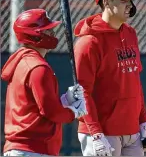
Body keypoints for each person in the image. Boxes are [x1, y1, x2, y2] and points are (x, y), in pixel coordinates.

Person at [73, 0, 146, 156]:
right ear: (106, 2)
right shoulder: (89, 42)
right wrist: (95, 133)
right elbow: (83, 92)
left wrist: (143, 121)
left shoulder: (131, 34)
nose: (130, 5)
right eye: (124, 0)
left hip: (132, 130)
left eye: (130, 0)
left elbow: (135, 81)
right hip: (102, 133)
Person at [1, 9, 87, 156]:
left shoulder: (22, 61)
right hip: (33, 149)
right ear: (35, 36)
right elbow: (50, 112)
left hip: (23, 148)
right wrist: (73, 112)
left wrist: (66, 100)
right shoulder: (38, 67)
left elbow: (36, 106)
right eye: (47, 30)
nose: (53, 34)